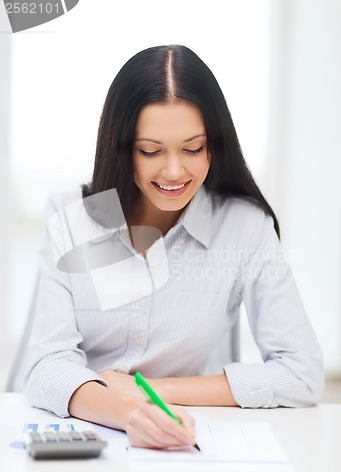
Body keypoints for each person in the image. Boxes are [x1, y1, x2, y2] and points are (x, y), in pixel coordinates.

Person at [24, 45, 324, 449]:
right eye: (150, 151)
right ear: (122, 147)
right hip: (80, 438)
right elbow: (47, 366)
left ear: (215, 145)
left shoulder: (245, 227)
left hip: (181, 436)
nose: (173, 171)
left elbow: (301, 374)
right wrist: (129, 413)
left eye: (193, 148)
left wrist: (152, 392)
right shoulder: (70, 218)